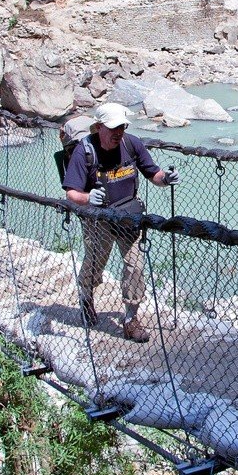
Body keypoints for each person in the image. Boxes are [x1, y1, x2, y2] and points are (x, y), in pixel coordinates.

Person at [60, 102, 180, 343]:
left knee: (135, 266)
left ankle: (130, 320)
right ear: (98, 128)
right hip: (98, 219)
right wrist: (88, 197)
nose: (118, 133)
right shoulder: (85, 151)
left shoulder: (131, 143)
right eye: (113, 128)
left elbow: (152, 173)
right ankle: (86, 296)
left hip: (128, 216)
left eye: (122, 127)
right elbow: (71, 193)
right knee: (96, 262)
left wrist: (165, 179)